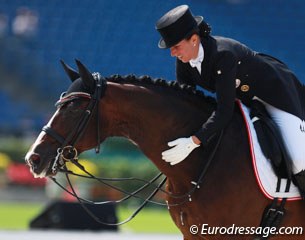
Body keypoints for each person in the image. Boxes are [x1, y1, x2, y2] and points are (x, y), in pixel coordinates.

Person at [155, 5, 305, 197]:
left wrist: (193, 141)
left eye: (176, 46)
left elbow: (223, 112)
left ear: (194, 39)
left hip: (275, 97)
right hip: (244, 100)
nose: (172, 53)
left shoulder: (222, 55)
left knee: (299, 159)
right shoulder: (184, 61)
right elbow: (185, 100)